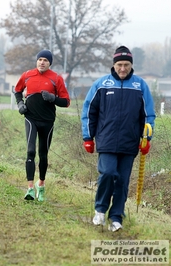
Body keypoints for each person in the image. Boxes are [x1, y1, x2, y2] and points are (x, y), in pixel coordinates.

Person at [81, 46, 156, 231]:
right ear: (114, 65)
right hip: (106, 140)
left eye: (127, 65)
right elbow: (89, 111)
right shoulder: (101, 85)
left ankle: (116, 217)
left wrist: (147, 138)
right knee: (107, 173)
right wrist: (87, 137)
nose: (123, 69)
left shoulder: (141, 86)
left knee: (122, 180)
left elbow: (148, 115)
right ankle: (100, 210)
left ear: (131, 65)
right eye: (120, 65)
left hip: (129, 143)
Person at [14, 49, 70, 202]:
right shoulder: (27, 75)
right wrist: (20, 104)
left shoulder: (56, 78)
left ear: (49, 63)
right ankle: (30, 188)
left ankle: (41, 185)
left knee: (43, 154)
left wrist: (53, 98)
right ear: (36, 61)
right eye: (40, 60)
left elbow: (66, 101)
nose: (42, 62)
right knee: (30, 151)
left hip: (47, 121)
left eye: (45, 60)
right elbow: (17, 90)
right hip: (31, 118)